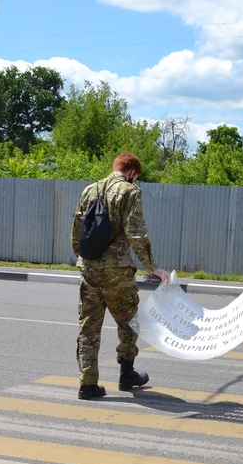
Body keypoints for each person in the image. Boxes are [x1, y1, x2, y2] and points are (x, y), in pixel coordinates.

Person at [72, 152, 170, 400]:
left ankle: (87, 384)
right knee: (129, 323)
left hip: (89, 270)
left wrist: (82, 259)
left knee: (89, 328)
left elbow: (77, 229)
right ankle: (127, 375)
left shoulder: (90, 190)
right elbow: (136, 233)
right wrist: (153, 268)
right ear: (133, 173)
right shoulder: (130, 191)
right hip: (117, 273)